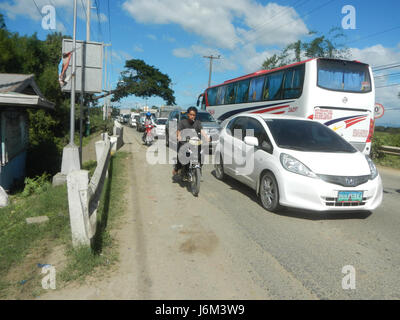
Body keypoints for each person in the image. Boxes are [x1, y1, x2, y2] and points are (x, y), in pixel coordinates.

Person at [172, 106, 210, 178]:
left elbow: (202, 131)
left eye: (194, 115)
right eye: (191, 114)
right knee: (181, 156)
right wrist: (179, 136)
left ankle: (197, 170)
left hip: (194, 143)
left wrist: (206, 137)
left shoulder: (197, 123)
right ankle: (177, 168)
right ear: (188, 114)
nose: (192, 116)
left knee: (201, 155)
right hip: (184, 142)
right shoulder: (182, 122)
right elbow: (178, 131)